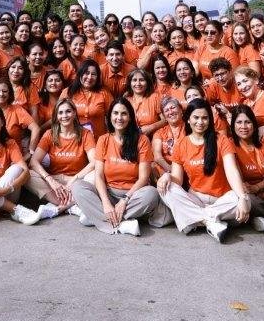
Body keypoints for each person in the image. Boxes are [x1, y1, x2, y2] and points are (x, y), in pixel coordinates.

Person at [156, 98, 251, 242]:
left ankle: (193, 219)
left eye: (205, 118)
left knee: (245, 200)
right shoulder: (181, 144)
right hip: (196, 198)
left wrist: (242, 198)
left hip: (222, 199)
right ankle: (211, 221)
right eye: (196, 117)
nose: (200, 122)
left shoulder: (221, 140)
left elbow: (232, 171)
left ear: (210, 120)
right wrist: (167, 176)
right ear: (188, 119)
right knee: (166, 189)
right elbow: (177, 180)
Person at [70, 97, 161, 236]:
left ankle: (98, 217)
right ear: (110, 116)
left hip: (133, 196)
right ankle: (121, 224)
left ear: (130, 117)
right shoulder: (103, 139)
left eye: (124, 114)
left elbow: (143, 178)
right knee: (77, 187)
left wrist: (125, 200)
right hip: (109, 193)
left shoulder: (142, 140)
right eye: (115, 113)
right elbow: (99, 176)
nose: (119, 118)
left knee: (152, 194)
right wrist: (106, 203)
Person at [26, 98, 96, 216]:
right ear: (56, 116)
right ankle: (71, 204)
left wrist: (74, 179)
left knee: (95, 174)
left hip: (77, 179)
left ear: (74, 113)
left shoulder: (85, 134)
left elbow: (94, 162)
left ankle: (59, 208)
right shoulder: (49, 134)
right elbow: (34, 161)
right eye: (60, 112)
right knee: (27, 174)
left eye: (68, 111)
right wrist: (51, 180)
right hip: (55, 180)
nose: (64, 116)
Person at [228, 105, 264, 231]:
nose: (243, 127)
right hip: (248, 193)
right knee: (241, 199)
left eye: (247, 122)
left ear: (254, 124)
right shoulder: (230, 143)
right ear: (233, 125)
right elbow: (237, 178)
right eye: (239, 122)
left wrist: (258, 188)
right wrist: (252, 191)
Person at [0, 79, 40, 155]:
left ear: (9, 94)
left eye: (5, 91)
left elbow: (36, 128)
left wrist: (31, 152)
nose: (1, 94)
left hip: (14, 157)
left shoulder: (17, 109)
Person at [62, 60, 113, 138]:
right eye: (86, 73)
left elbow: (112, 116)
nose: (89, 77)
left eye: (93, 74)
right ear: (80, 74)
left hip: (98, 139)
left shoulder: (104, 93)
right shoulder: (68, 92)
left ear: (98, 77)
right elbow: (58, 115)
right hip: (74, 139)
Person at [232, 66, 264, 138]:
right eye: (239, 84)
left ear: (256, 80)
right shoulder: (245, 104)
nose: (243, 86)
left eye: (245, 81)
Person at [151, 96, 186, 177]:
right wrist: (173, 171)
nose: (170, 112)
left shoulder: (190, 129)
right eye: (166, 110)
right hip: (166, 171)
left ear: (181, 110)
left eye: (173, 108)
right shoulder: (159, 133)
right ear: (164, 116)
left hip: (187, 168)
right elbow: (157, 157)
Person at [125, 68, 164, 136]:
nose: (138, 83)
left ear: (147, 82)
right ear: (130, 83)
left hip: (154, 137)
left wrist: (150, 128)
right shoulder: (126, 100)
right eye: (134, 80)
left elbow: (165, 120)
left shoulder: (155, 97)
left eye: (141, 80)